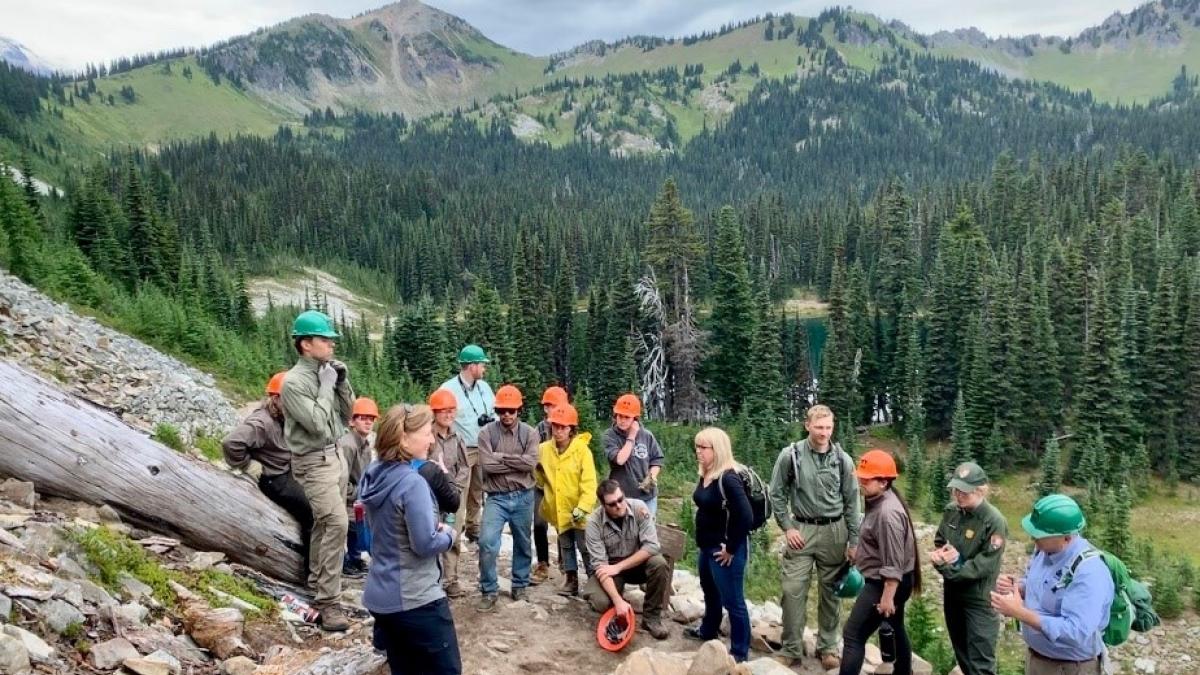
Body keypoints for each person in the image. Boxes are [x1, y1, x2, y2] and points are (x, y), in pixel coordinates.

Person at [359, 404, 461, 675]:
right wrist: (449, 536)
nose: (431, 439)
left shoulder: (374, 473)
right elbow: (424, 544)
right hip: (417, 600)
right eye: (427, 433)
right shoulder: (412, 483)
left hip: (382, 598)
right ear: (404, 438)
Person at [767, 404, 860, 669]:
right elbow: (776, 493)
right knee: (792, 589)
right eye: (819, 427)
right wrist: (787, 526)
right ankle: (791, 647)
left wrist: (854, 541)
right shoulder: (791, 455)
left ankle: (828, 647)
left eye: (828, 427)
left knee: (831, 592)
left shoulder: (843, 460)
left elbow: (853, 501)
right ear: (807, 425)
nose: (823, 433)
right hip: (802, 530)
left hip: (835, 530)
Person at [280, 310, 355, 631]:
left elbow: (348, 413)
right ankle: (328, 600)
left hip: (334, 454)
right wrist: (325, 386)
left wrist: (341, 382)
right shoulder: (293, 382)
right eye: (325, 339)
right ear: (306, 344)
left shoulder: (327, 373)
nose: (331, 344)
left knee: (325, 526)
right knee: (337, 523)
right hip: (313, 461)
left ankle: (318, 584)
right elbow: (315, 422)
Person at [990, 494, 1114, 675]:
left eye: (1041, 534)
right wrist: (1017, 587)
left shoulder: (1090, 572)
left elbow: (1076, 632)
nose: (1034, 538)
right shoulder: (1043, 549)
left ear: (1066, 538)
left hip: (1071, 667)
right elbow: (1038, 584)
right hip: (1037, 660)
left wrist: (1019, 613)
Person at [221, 372, 314, 580]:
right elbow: (230, 443)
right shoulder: (262, 422)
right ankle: (312, 575)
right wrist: (247, 464)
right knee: (314, 514)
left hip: (286, 470)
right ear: (276, 398)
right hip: (274, 478)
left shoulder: (283, 417)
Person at [839, 449, 921, 675]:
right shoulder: (879, 501)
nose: (861, 481)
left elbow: (893, 561)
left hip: (884, 583)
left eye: (867, 478)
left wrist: (887, 597)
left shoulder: (887, 513)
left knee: (853, 635)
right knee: (896, 627)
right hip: (892, 580)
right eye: (861, 476)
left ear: (884, 482)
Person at [931, 462, 1008, 675]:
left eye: (964, 491)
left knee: (981, 661)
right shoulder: (951, 512)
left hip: (979, 600)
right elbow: (940, 540)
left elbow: (983, 565)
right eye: (956, 489)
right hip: (953, 596)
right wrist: (940, 554)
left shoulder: (994, 521)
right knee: (962, 653)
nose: (958, 495)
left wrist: (947, 569)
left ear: (980, 490)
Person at [684, 427, 752, 662]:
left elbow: (745, 516)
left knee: (734, 601)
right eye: (697, 446)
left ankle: (739, 653)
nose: (698, 451)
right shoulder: (706, 473)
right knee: (710, 592)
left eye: (703, 447)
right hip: (707, 546)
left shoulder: (729, 478)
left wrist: (731, 548)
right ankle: (708, 630)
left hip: (724, 551)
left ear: (718, 449)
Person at [476, 384, 539, 611]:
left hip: (524, 496)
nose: (506, 415)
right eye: (502, 410)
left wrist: (500, 456)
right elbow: (487, 465)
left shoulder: (530, 433)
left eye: (511, 411)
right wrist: (515, 461)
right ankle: (489, 589)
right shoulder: (486, 434)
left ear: (518, 410)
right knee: (487, 542)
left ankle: (520, 585)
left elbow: (530, 463)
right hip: (496, 497)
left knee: (523, 542)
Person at [583, 479, 671, 640]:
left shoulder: (639, 508)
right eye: (612, 504)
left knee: (659, 563)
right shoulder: (594, 524)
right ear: (603, 505)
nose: (618, 505)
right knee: (600, 602)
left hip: (636, 565)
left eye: (620, 499)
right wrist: (617, 600)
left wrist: (620, 566)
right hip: (610, 571)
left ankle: (651, 618)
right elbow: (600, 567)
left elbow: (652, 546)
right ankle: (618, 605)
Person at [535, 403, 596, 597]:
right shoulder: (543, 450)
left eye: (563, 427)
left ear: (571, 429)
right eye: (555, 426)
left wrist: (584, 507)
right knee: (566, 545)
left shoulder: (582, 451)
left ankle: (594, 581)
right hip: (558, 509)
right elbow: (538, 477)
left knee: (586, 547)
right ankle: (571, 580)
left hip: (579, 511)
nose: (558, 431)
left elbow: (589, 483)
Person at [440, 344, 495, 544]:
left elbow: (494, 412)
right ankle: (456, 529)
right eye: (482, 364)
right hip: (460, 449)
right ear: (472, 366)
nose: (484, 368)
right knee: (459, 490)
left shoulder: (485, 388)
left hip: (483, 446)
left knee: (477, 490)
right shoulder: (448, 389)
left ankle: (474, 527)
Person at [429, 388, 470, 598]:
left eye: (451, 410)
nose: (448, 415)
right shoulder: (427, 436)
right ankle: (431, 580)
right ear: (434, 412)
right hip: (431, 495)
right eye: (443, 411)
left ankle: (451, 579)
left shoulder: (457, 437)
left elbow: (464, 466)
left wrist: (455, 487)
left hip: (453, 494)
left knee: (453, 535)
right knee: (430, 534)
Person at [602, 393, 664, 516]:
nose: (622, 420)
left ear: (635, 418)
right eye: (620, 416)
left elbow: (657, 459)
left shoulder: (646, 435)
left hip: (647, 497)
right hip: (621, 498)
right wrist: (632, 436)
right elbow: (620, 460)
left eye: (627, 417)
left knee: (646, 531)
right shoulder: (610, 436)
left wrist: (651, 477)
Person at [531, 386, 569, 584]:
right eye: (547, 406)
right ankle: (543, 563)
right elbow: (534, 453)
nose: (549, 410)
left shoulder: (570, 427)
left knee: (564, 524)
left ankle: (566, 563)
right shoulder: (539, 429)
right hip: (541, 485)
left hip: (563, 486)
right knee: (539, 524)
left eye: (553, 405)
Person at [338, 396, 378, 579]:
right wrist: (357, 494)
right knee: (352, 522)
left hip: (358, 495)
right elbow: (339, 479)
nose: (368, 422)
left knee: (363, 519)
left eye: (371, 418)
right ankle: (345, 561)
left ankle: (354, 557)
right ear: (352, 421)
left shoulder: (365, 445)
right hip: (343, 496)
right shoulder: (348, 445)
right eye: (363, 418)